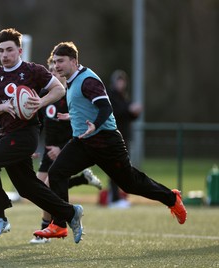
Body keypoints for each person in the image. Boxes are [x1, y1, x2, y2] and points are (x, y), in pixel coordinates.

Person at [33, 42, 187, 240]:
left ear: (74, 61)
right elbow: (87, 106)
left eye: (60, 61)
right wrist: (72, 117)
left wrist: (94, 126)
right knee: (56, 173)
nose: (57, 66)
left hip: (106, 142)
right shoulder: (70, 81)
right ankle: (60, 224)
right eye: (54, 62)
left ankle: (172, 198)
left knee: (131, 184)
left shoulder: (88, 80)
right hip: (83, 142)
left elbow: (106, 108)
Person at [0, 28, 83, 244]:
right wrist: (4, 107)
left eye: (9, 50)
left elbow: (59, 90)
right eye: (1, 51)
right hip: (7, 135)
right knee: (26, 187)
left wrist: (40, 102)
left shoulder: (33, 70)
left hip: (26, 134)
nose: (4, 54)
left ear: (19, 50)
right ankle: (70, 213)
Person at [30, 56, 102, 244]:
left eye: (55, 69)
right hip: (48, 151)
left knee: (48, 188)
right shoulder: (45, 95)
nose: (53, 72)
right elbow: (37, 124)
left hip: (66, 148)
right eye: (50, 70)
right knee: (37, 190)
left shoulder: (72, 94)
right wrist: (30, 146)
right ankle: (82, 179)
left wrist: (61, 149)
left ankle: (46, 230)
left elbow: (80, 125)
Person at [106, 69, 142, 208]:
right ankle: (114, 198)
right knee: (115, 167)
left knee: (122, 168)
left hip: (124, 137)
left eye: (122, 81)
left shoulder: (123, 97)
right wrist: (129, 109)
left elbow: (129, 116)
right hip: (114, 137)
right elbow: (116, 112)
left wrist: (135, 112)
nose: (121, 83)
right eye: (118, 81)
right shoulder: (111, 96)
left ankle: (117, 197)